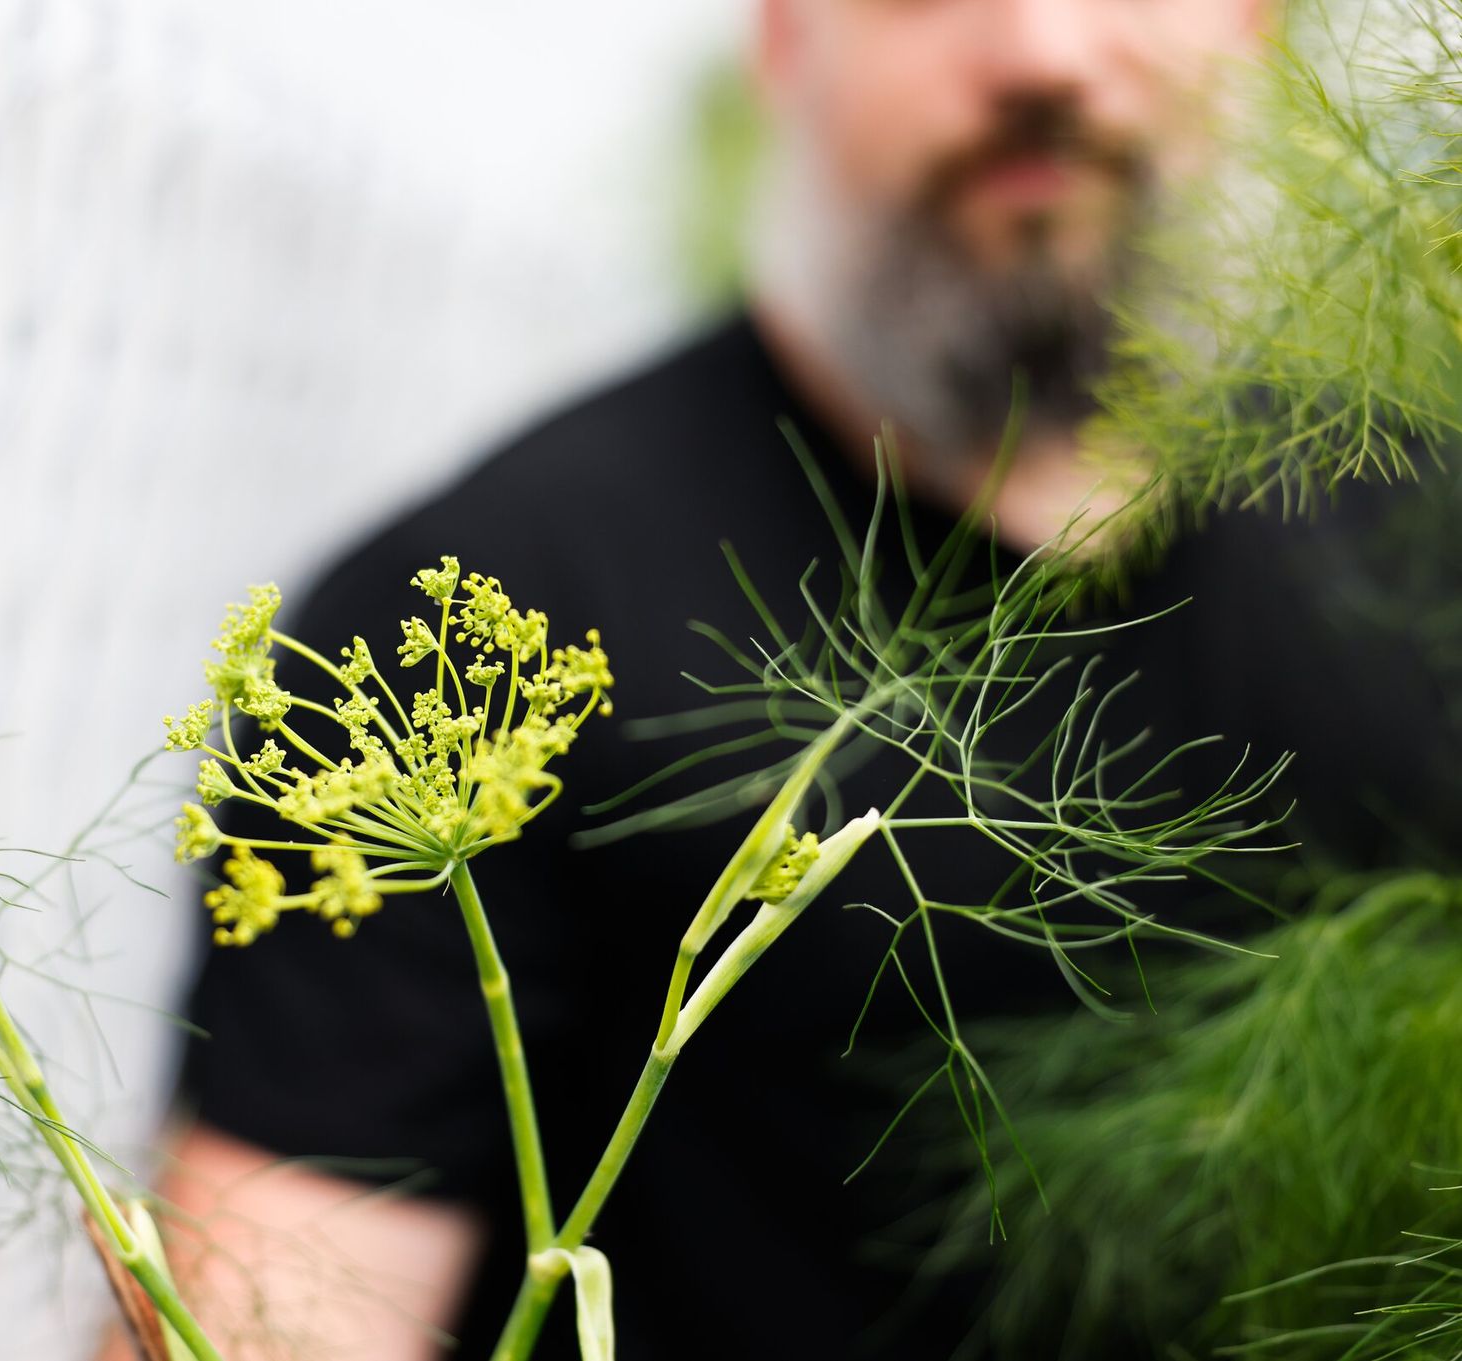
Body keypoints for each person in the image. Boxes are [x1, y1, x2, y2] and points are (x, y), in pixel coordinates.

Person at [112, 1, 1445, 1356]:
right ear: (783, 41)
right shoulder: (463, 628)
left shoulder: (1432, 535)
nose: (1044, 49)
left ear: (1261, 26)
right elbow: (275, 1312)